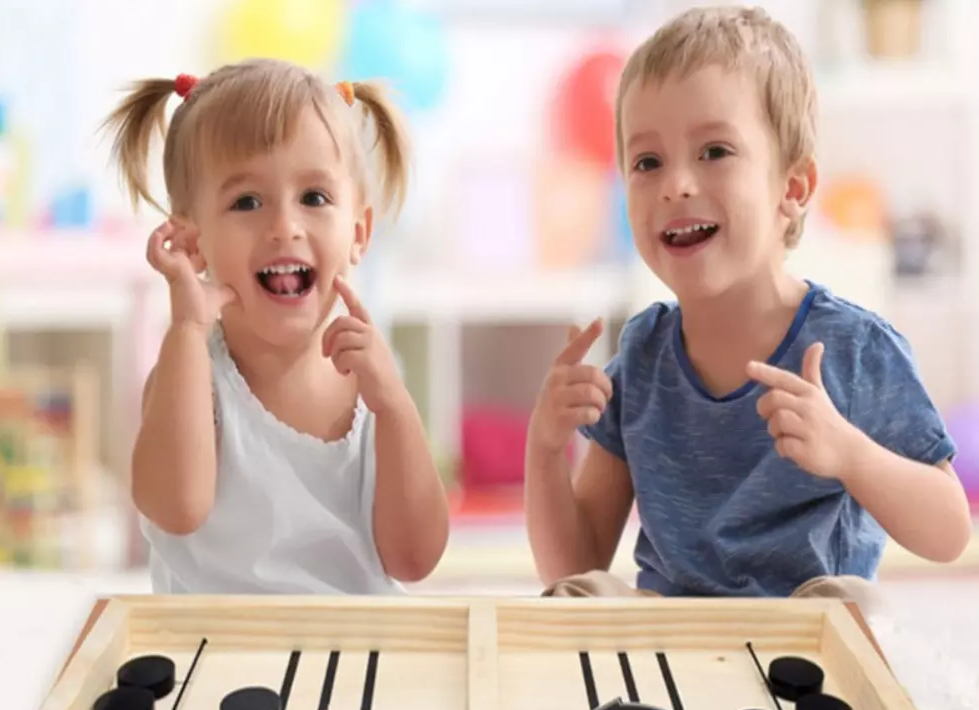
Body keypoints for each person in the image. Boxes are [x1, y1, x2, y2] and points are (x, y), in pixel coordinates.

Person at [525, 5, 971, 610]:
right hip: (672, 629)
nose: (675, 184)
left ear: (793, 188)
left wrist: (847, 453)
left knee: (861, 605)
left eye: (714, 151)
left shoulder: (853, 347)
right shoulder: (642, 353)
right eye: (647, 162)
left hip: (805, 635)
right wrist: (546, 448)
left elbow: (949, 533)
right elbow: (574, 563)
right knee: (575, 597)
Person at [102, 60, 449, 594]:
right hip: (219, 656)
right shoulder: (192, 374)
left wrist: (395, 408)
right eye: (247, 202)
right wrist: (187, 333)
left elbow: (414, 559)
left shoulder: (371, 380)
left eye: (314, 198)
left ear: (358, 233)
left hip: (360, 651)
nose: (284, 227)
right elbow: (176, 510)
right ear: (192, 243)